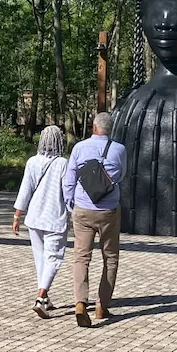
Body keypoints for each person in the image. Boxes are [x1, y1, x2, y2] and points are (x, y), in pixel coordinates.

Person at [62, 111, 126, 328]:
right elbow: (121, 176)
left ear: (94, 127)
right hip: (109, 210)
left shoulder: (79, 148)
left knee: (81, 257)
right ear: (111, 129)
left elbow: (69, 179)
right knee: (110, 257)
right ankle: (102, 305)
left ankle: (80, 303)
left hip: (83, 208)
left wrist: (70, 202)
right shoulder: (120, 150)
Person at [12, 125, 69, 319]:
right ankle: (40, 297)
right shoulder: (63, 164)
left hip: (34, 218)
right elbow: (68, 192)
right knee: (53, 258)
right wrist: (74, 211)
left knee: (40, 259)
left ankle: (45, 297)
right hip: (54, 217)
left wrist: (17, 216)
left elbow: (25, 190)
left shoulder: (32, 162)